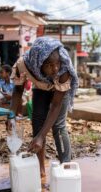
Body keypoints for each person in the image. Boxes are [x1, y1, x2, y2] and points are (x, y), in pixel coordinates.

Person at [9, 37, 79, 177]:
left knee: (58, 127)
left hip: (58, 91)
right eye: (49, 64)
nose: (55, 68)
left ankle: (66, 167)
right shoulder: (23, 65)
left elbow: (56, 105)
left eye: (57, 63)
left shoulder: (63, 70)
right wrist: (11, 115)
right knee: (37, 125)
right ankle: (40, 170)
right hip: (40, 88)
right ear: (39, 62)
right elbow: (17, 90)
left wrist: (42, 136)